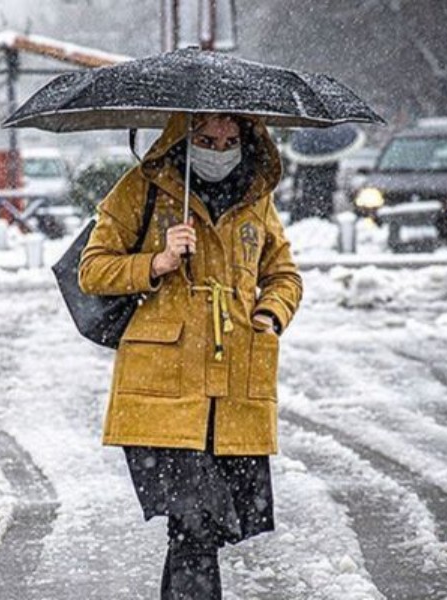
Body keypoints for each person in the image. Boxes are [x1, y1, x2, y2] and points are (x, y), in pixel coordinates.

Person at [78, 111, 302, 599]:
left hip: (234, 393)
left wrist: (268, 316)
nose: (218, 151)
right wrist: (157, 261)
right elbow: (92, 270)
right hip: (162, 392)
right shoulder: (145, 188)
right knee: (195, 527)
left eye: (229, 140)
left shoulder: (255, 199)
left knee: (200, 532)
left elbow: (285, 276)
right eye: (205, 138)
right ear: (183, 137)